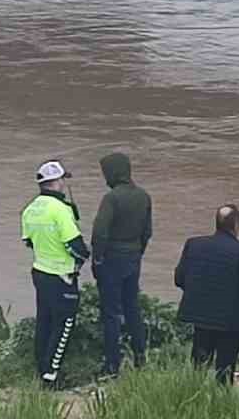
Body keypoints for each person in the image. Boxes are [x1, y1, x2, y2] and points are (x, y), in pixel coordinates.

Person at [21, 159, 90, 388]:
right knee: (64, 325)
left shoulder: (30, 209)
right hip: (62, 276)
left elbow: (29, 242)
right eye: (63, 179)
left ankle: (41, 368)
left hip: (40, 272)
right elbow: (75, 246)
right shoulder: (61, 210)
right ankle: (51, 377)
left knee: (45, 322)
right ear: (57, 182)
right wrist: (83, 257)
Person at [173, 205, 239, 384]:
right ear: (236, 225)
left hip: (201, 317)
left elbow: (180, 279)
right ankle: (222, 401)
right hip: (231, 322)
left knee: (198, 365)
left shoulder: (194, 245)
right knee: (225, 368)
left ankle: (193, 398)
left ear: (217, 223)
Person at [91, 152, 153, 377]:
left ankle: (112, 365)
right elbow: (148, 232)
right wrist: (138, 253)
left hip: (111, 259)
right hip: (133, 257)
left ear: (113, 173)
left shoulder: (112, 198)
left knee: (111, 312)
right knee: (132, 307)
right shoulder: (144, 196)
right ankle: (140, 357)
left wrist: (97, 259)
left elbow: (100, 232)